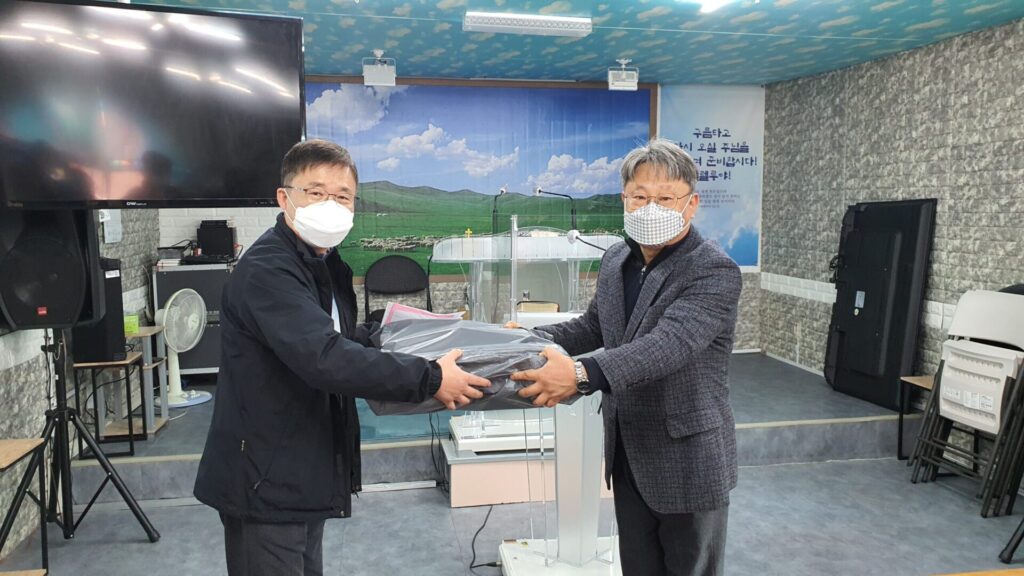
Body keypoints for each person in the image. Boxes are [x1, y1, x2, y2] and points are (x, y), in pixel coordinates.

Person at [194, 139, 490, 576]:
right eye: (316, 193)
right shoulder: (269, 269)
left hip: (300, 466)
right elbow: (325, 356)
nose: (330, 206)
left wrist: (398, 334)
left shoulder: (322, 262)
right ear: (284, 198)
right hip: (265, 476)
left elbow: (337, 336)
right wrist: (430, 378)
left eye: (343, 196)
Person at [509, 138, 742, 576]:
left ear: (691, 204)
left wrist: (581, 374)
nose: (650, 208)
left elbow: (669, 344)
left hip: (688, 459)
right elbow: (595, 326)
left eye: (665, 198)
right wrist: (527, 339)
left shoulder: (712, 270)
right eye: (640, 196)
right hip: (629, 452)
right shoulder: (618, 259)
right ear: (624, 200)